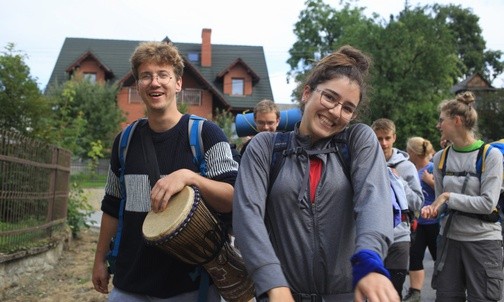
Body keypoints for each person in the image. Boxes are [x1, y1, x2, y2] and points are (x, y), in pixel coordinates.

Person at [233, 45, 399, 301]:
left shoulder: (357, 140)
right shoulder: (265, 147)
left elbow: (373, 200)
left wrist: (369, 258)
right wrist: (272, 282)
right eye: (330, 97)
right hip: (282, 294)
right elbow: (248, 216)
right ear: (307, 93)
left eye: (347, 108)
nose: (335, 111)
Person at [91, 41, 239, 301]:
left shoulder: (207, 134)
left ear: (178, 83)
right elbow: (112, 206)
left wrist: (190, 177)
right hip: (129, 285)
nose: (154, 82)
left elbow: (232, 198)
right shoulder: (124, 142)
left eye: (163, 75)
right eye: (146, 76)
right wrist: (99, 259)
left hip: (191, 287)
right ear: (138, 85)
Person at [421, 91, 503, 302]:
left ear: (456, 121)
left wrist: (449, 197)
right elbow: (440, 201)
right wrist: (431, 209)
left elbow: (487, 203)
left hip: (483, 243)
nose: (438, 126)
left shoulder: (490, 155)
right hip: (448, 240)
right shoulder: (441, 157)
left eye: (442, 120)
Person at [371, 118, 424, 299]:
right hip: (373, 236)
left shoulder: (406, 166)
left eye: (387, 138)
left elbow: (418, 203)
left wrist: (399, 182)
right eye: (379, 139)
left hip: (399, 236)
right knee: (372, 291)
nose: (383, 143)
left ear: (394, 137)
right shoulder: (365, 164)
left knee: (394, 290)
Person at [402, 136, 439, 302]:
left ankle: (446, 290)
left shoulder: (432, 168)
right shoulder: (410, 169)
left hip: (434, 222)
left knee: (439, 259)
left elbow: (446, 192)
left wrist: (431, 182)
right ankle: (415, 292)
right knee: (415, 257)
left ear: (411, 152)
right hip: (418, 223)